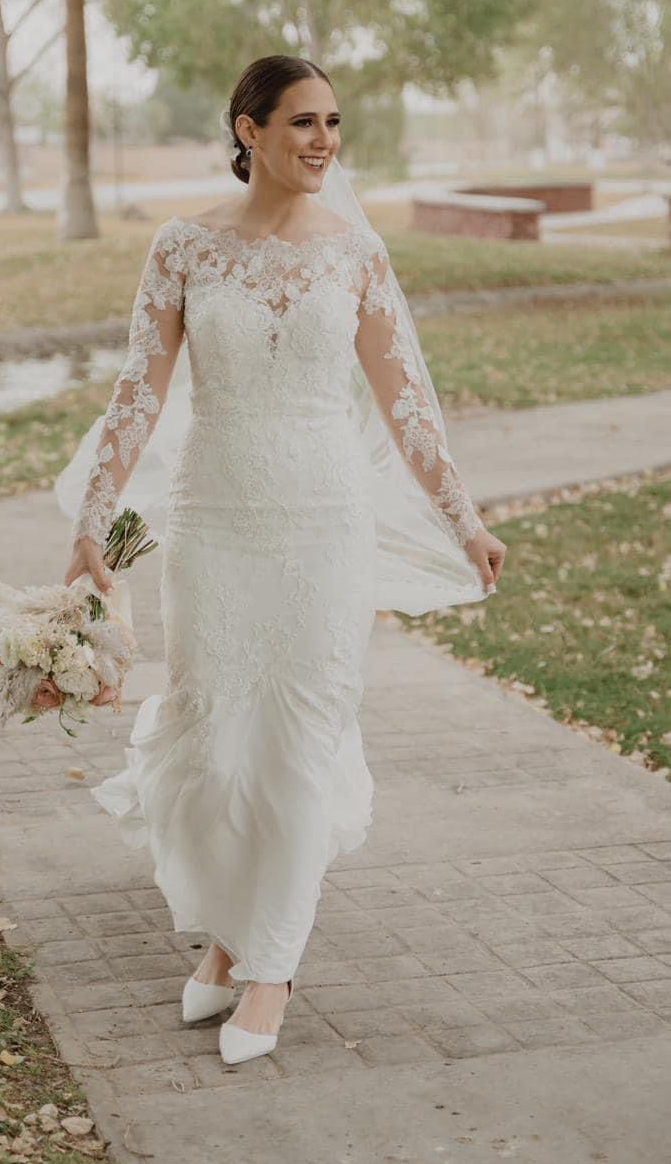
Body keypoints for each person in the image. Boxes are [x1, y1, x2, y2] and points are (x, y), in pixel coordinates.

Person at [61, 54, 507, 1065]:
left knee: (299, 736)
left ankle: (269, 966)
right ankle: (226, 934)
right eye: (301, 122)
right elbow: (136, 390)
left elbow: (407, 408)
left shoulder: (355, 254)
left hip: (321, 523)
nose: (322, 142)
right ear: (246, 129)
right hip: (212, 518)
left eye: (333, 123)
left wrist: (463, 521)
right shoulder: (182, 248)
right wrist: (89, 522)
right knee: (218, 744)